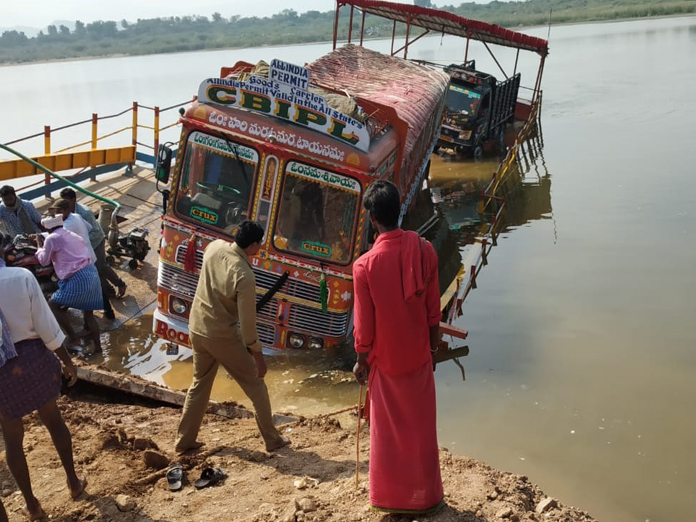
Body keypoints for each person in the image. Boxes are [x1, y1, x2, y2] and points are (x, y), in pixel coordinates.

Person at [352, 180, 444, 515]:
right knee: (420, 432)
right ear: (400, 210)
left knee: (388, 436)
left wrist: (361, 362)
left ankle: (391, 500)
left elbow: (364, 328)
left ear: (373, 220)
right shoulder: (424, 251)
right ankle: (427, 499)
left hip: (385, 364)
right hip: (418, 358)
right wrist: (432, 352)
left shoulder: (364, 266)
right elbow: (434, 312)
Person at [175, 221, 289, 454]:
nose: (260, 248)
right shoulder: (245, 275)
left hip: (197, 327)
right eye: (260, 244)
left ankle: (184, 441)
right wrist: (258, 357)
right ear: (254, 245)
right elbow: (248, 327)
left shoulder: (214, 246)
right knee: (256, 385)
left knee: (200, 385)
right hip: (221, 334)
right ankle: (272, 439)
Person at [0, 236, 86, 521]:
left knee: (13, 442)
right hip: (34, 359)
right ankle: (74, 483)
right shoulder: (20, 277)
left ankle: (32, 505)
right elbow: (45, 324)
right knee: (54, 421)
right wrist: (67, 361)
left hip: (2, 372)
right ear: (2, 250)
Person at [35, 215, 103, 353]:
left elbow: (43, 260)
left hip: (78, 277)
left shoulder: (52, 238)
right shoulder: (72, 234)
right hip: (91, 272)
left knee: (53, 304)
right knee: (88, 314)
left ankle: (72, 337)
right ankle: (98, 347)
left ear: (46, 227)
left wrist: (38, 246)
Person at [50, 198, 115, 320]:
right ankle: (108, 311)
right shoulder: (76, 216)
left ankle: (104, 311)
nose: (56, 215)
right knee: (97, 284)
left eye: (58, 211)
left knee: (88, 286)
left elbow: (57, 239)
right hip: (88, 254)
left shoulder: (67, 225)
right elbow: (89, 227)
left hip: (81, 260)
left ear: (66, 210)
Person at [59, 188, 127, 299]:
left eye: (66, 201)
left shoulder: (84, 212)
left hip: (96, 242)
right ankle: (109, 292)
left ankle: (120, 284)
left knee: (101, 267)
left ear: (74, 199)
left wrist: (80, 241)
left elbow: (95, 231)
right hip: (83, 246)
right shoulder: (65, 213)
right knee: (93, 273)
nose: (64, 204)